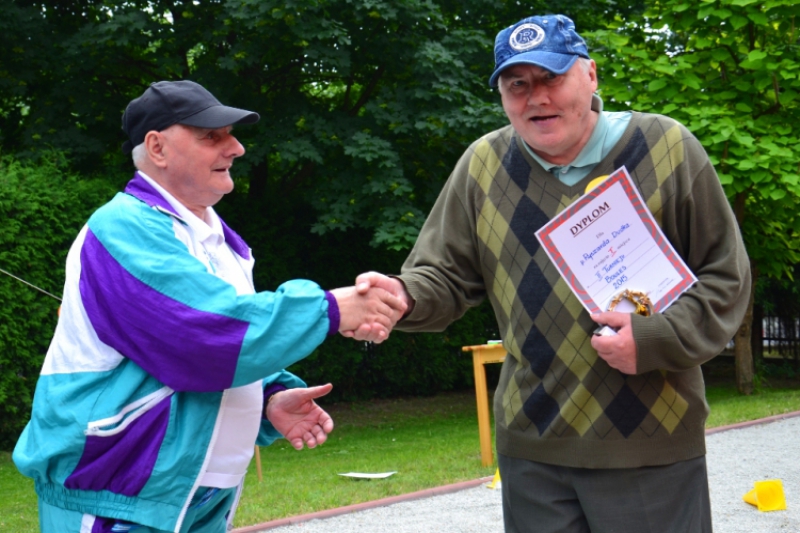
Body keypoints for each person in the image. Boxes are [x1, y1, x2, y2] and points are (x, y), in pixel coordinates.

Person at [353, 14, 751, 533]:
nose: (535, 98)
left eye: (551, 78)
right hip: (532, 447)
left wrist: (656, 337)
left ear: (591, 75)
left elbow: (727, 277)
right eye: (517, 84)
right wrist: (401, 296)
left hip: (650, 443)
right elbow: (444, 276)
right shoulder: (482, 165)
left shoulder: (667, 148)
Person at [13, 80, 406, 533]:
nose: (236, 148)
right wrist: (332, 309)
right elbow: (202, 337)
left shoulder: (221, 241)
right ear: (157, 147)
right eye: (211, 136)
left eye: (233, 135)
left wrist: (268, 397)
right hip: (116, 502)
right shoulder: (124, 228)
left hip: (193, 499)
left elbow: (203, 348)